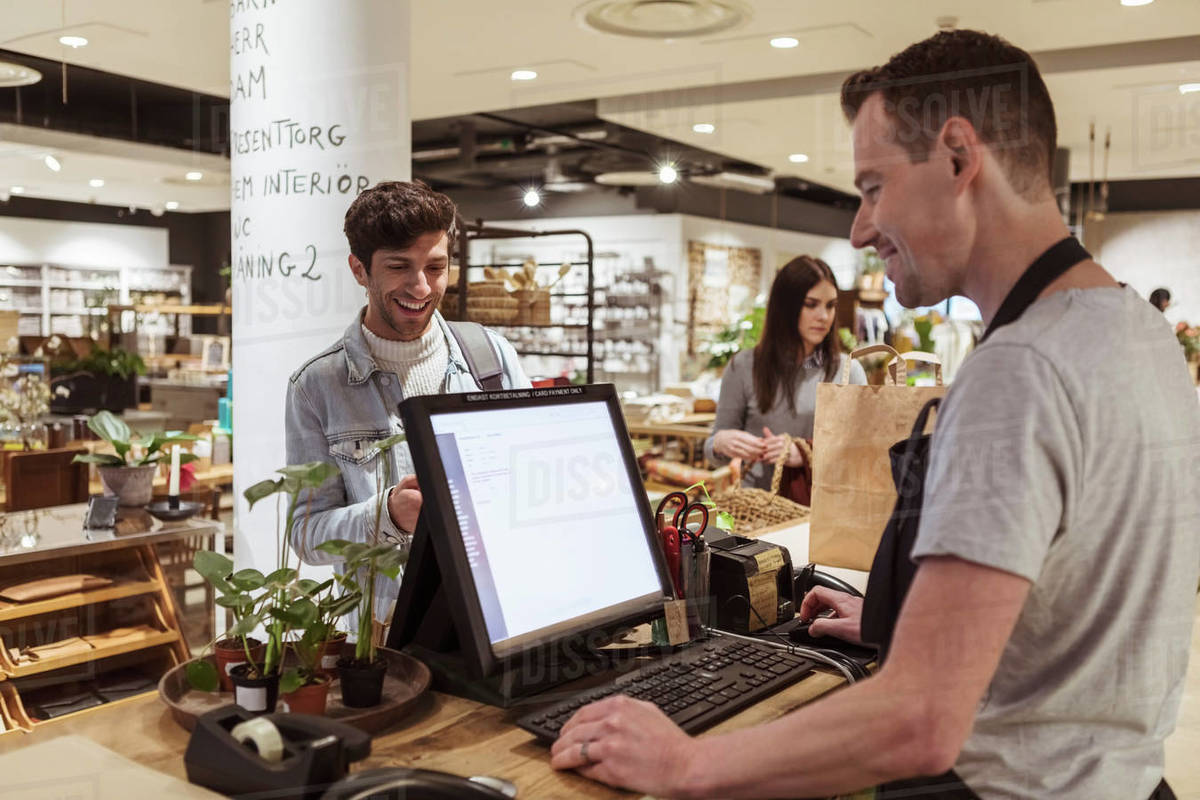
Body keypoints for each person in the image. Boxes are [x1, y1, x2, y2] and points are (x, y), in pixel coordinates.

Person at [550, 29, 1200, 800]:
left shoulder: (1018, 374)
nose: (861, 228)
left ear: (959, 158)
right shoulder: (1137, 333)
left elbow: (919, 721)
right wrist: (908, 624)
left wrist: (686, 765)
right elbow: (1079, 602)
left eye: (872, 188)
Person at [285, 180, 530, 629]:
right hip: (385, 632)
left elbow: (531, 483)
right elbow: (304, 536)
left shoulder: (492, 358)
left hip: (500, 613)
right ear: (360, 270)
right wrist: (388, 516)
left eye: (436, 267)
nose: (421, 287)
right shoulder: (316, 386)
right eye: (400, 267)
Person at [704, 256, 866, 503]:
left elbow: (863, 450)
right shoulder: (744, 367)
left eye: (831, 305)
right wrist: (721, 443)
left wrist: (805, 452)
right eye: (811, 304)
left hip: (824, 509)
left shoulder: (847, 370)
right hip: (757, 509)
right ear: (786, 307)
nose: (824, 316)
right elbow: (713, 452)